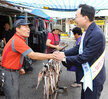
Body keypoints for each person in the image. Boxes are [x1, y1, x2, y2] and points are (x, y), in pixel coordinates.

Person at [53, 4, 106, 99]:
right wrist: (64, 53)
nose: (75, 19)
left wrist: (64, 58)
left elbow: (84, 57)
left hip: (94, 77)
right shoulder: (87, 31)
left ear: (85, 18)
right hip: (87, 76)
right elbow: (78, 48)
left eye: (76, 16)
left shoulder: (96, 34)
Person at [0, 19, 54, 99]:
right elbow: (32, 55)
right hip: (9, 74)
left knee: (14, 95)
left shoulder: (17, 39)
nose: (28, 29)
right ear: (17, 29)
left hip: (11, 72)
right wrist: (52, 56)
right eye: (24, 26)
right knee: (12, 96)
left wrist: (19, 67)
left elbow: (11, 56)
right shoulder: (17, 41)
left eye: (28, 26)